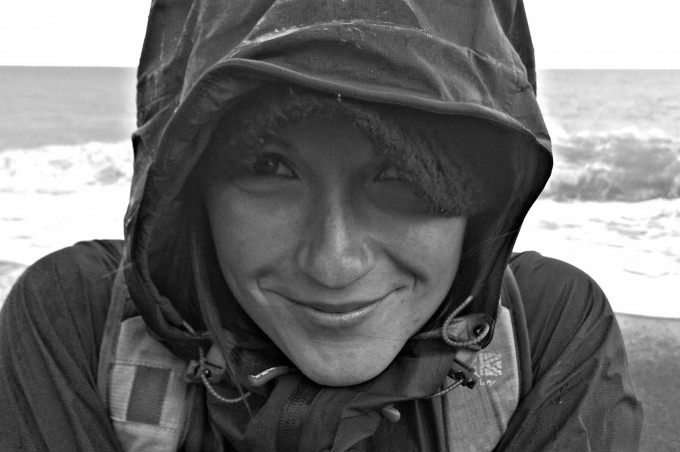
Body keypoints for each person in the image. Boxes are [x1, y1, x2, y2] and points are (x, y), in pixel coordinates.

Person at [0, 0, 642, 450]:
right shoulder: (77, 322)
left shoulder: (549, 333)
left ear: (479, 196)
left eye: (402, 173)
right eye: (269, 168)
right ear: (191, 189)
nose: (334, 264)